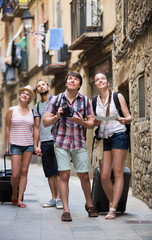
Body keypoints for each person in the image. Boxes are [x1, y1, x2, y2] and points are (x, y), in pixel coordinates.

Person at [43, 71, 98, 222]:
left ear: (79, 84)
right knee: (64, 175)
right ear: (66, 82)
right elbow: (45, 122)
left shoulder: (85, 101)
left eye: (76, 79)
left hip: (79, 142)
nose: (72, 81)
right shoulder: (57, 99)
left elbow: (91, 123)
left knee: (84, 176)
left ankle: (89, 204)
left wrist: (80, 121)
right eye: (70, 79)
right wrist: (57, 116)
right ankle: (66, 210)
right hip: (61, 142)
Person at [93, 72, 132, 219]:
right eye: (97, 80)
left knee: (117, 172)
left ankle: (113, 208)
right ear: (95, 84)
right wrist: (93, 122)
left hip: (118, 135)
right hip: (104, 138)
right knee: (103, 176)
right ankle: (111, 202)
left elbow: (129, 117)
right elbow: (91, 121)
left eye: (103, 78)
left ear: (107, 82)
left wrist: (123, 119)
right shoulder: (95, 100)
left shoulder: (117, 96)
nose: (100, 81)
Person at [34, 79, 63, 209]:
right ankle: (53, 198)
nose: (41, 87)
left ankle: (60, 199)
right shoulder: (37, 107)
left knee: (58, 171)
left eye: (43, 85)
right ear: (37, 90)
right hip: (45, 142)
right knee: (49, 172)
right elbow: (36, 127)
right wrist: (36, 145)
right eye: (39, 86)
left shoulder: (57, 100)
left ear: (48, 86)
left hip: (57, 140)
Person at [5, 85, 35, 208]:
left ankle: (19, 198)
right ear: (19, 96)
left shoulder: (33, 112)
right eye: (23, 93)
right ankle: (14, 192)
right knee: (15, 174)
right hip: (15, 144)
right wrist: (7, 146)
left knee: (24, 172)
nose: (25, 95)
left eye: (27, 94)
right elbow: (7, 127)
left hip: (28, 144)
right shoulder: (12, 110)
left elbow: (35, 128)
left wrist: (36, 145)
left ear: (29, 99)